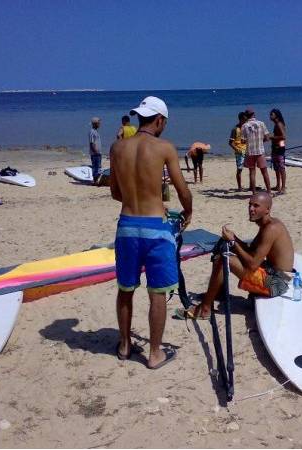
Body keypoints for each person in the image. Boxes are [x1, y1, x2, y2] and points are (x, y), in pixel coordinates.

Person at [109, 96, 193, 369]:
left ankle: (124, 345)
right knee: (157, 292)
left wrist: (136, 197)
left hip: (127, 227)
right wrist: (188, 211)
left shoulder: (117, 147)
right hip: (156, 228)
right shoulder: (164, 147)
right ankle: (154, 354)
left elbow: (115, 192)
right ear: (159, 120)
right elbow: (182, 189)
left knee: (125, 289)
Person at [175, 192, 294, 320]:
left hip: (277, 283)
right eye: (250, 205)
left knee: (224, 259)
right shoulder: (267, 224)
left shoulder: (271, 229)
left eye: (256, 206)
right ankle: (219, 292)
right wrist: (234, 239)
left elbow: (253, 264)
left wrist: (233, 242)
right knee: (222, 249)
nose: (251, 209)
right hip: (272, 272)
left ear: (267, 209)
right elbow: (251, 250)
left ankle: (205, 309)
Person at [241, 108, 271, 195]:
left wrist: (249, 141)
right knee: (264, 171)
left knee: (252, 172)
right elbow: (267, 138)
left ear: (246, 116)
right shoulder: (261, 123)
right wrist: (260, 141)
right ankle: (269, 191)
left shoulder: (244, 126)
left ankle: (254, 192)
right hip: (260, 151)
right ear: (254, 114)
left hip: (250, 151)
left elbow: (242, 141)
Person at [269, 109, 287, 194]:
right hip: (276, 148)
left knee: (281, 168)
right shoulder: (276, 124)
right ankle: (278, 185)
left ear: (276, 115)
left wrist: (272, 137)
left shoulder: (279, 124)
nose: (270, 116)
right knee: (276, 168)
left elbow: (283, 137)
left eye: (272, 114)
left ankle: (283, 188)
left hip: (279, 149)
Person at [229, 112, 247, 190]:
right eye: (244, 119)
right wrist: (237, 149)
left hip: (247, 150)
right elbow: (230, 143)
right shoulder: (235, 129)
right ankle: (239, 187)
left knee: (251, 168)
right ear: (240, 119)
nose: (246, 121)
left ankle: (251, 186)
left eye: (246, 119)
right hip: (239, 152)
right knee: (239, 169)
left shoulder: (246, 128)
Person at [89, 117, 102, 185]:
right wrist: (95, 151)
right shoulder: (92, 132)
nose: (99, 124)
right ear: (95, 124)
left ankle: (97, 180)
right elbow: (91, 143)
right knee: (95, 167)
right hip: (95, 153)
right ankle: (95, 181)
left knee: (98, 167)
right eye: (98, 123)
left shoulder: (96, 131)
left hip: (98, 152)